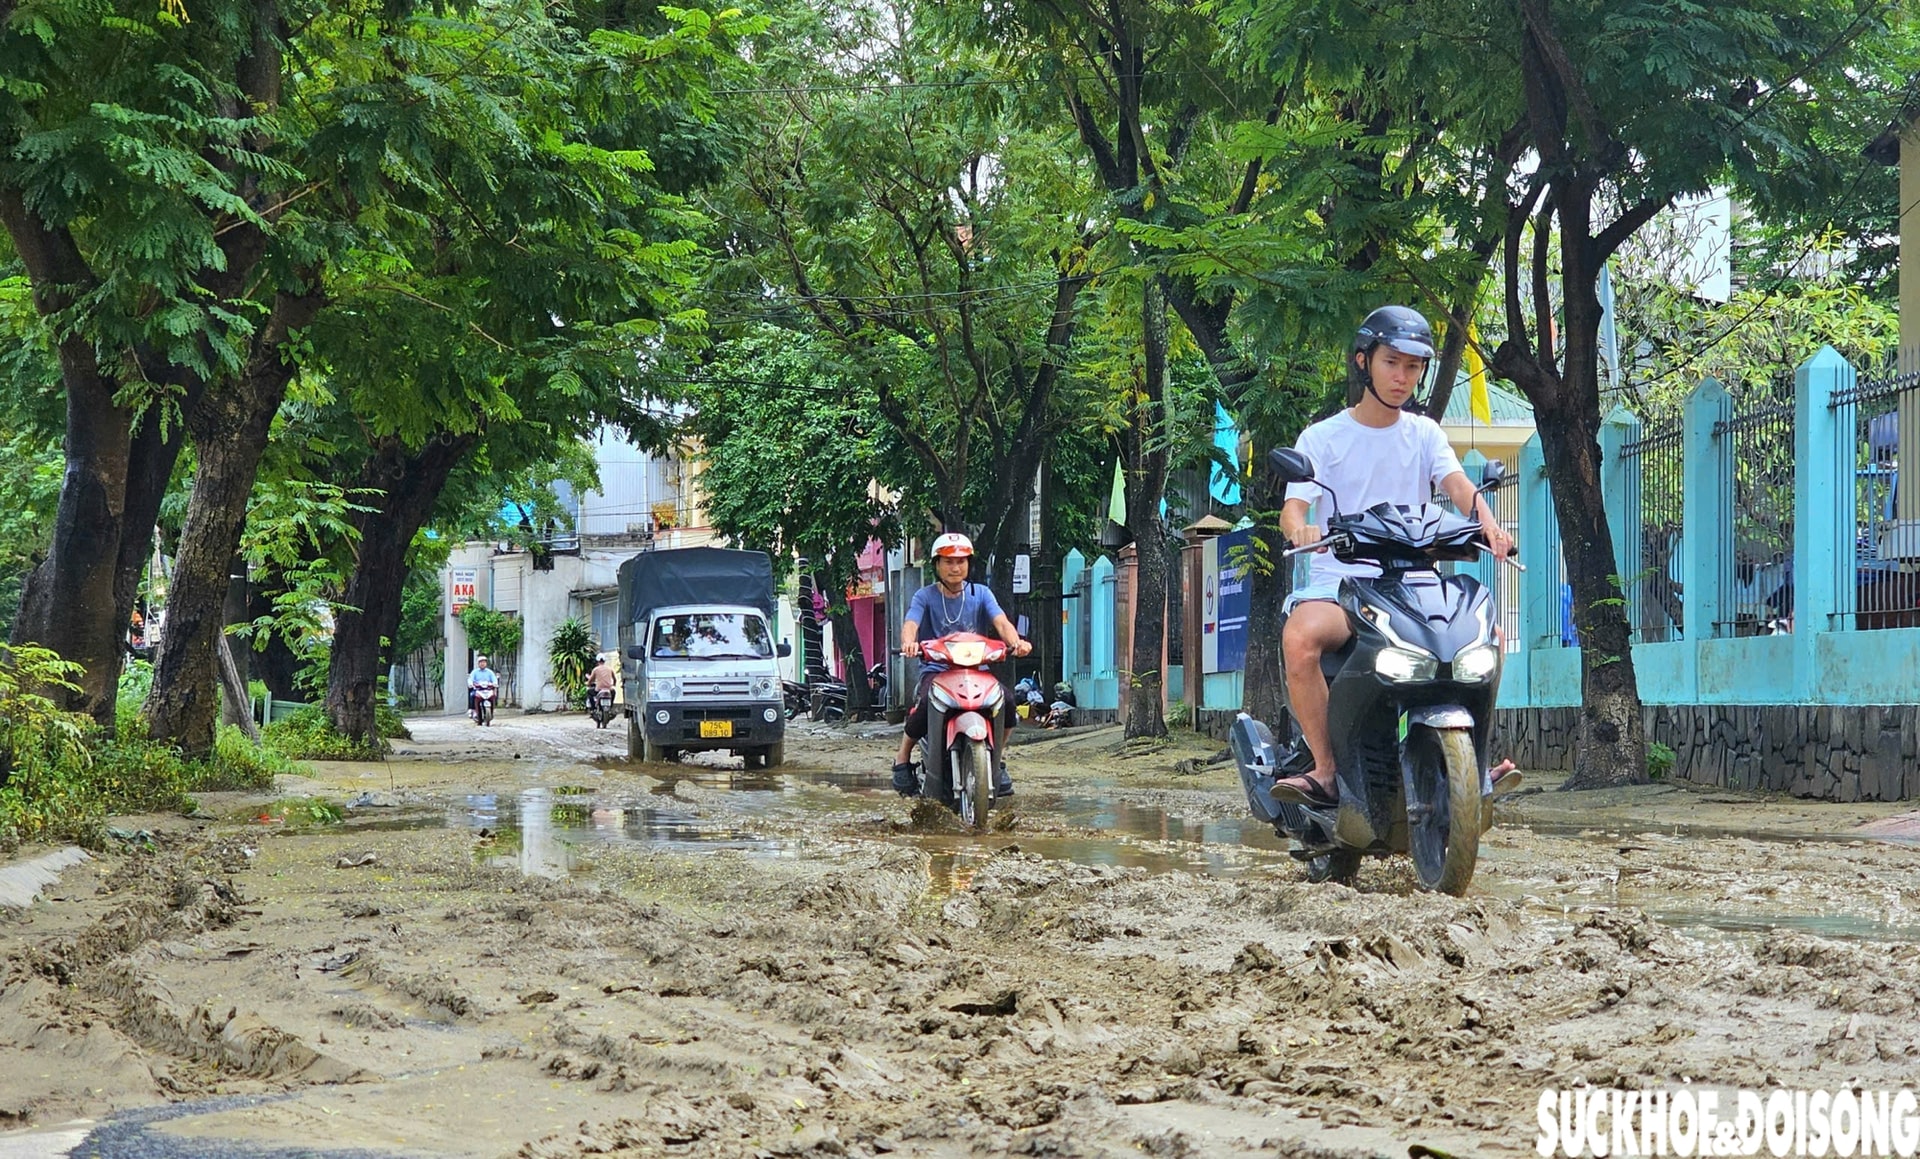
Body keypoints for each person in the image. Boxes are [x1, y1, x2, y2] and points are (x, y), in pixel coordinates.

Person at [1271, 305, 1516, 808]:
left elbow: (1458, 485)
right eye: (1392, 363)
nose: (1403, 377)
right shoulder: (1322, 438)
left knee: (1487, 636)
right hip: (1340, 586)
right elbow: (1291, 510)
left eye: (1413, 366)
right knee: (1300, 637)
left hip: (1411, 585)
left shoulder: (1424, 433)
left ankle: (1472, 760)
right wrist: (1301, 529)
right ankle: (1326, 769)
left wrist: (1489, 524)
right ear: (1364, 361)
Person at [892, 532, 1031, 796]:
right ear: (936, 564)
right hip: (937, 671)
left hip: (976, 672)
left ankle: (997, 760)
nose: (955, 567)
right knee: (924, 706)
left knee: (1008, 703)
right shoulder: (924, 596)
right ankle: (902, 757)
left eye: (961, 561)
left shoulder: (982, 594)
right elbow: (911, 623)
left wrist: (1017, 642)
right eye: (948, 561)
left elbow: (1001, 622)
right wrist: (909, 642)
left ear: (969, 564)